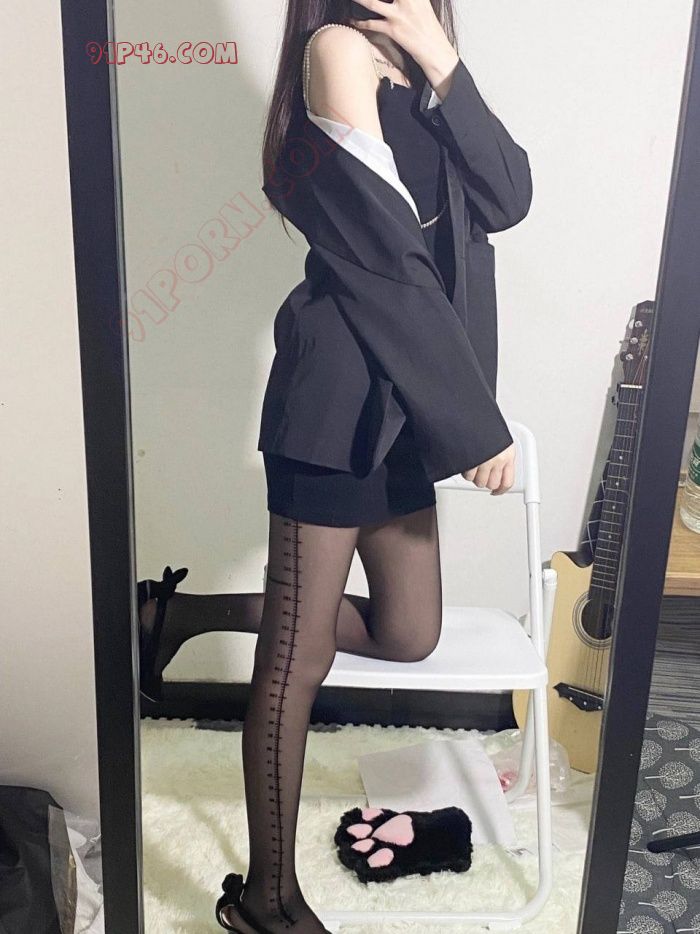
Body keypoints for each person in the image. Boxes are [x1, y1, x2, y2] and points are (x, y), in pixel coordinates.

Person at [141, 3, 530, 931]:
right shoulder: (336, 50)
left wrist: (442, 59)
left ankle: (175, 616)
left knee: (410, 631)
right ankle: (267, 901)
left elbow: (508, 197)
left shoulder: (419, 68)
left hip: (406, 402)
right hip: (337, 400)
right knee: (299, 657)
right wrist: (474, 422)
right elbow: (388, 258)